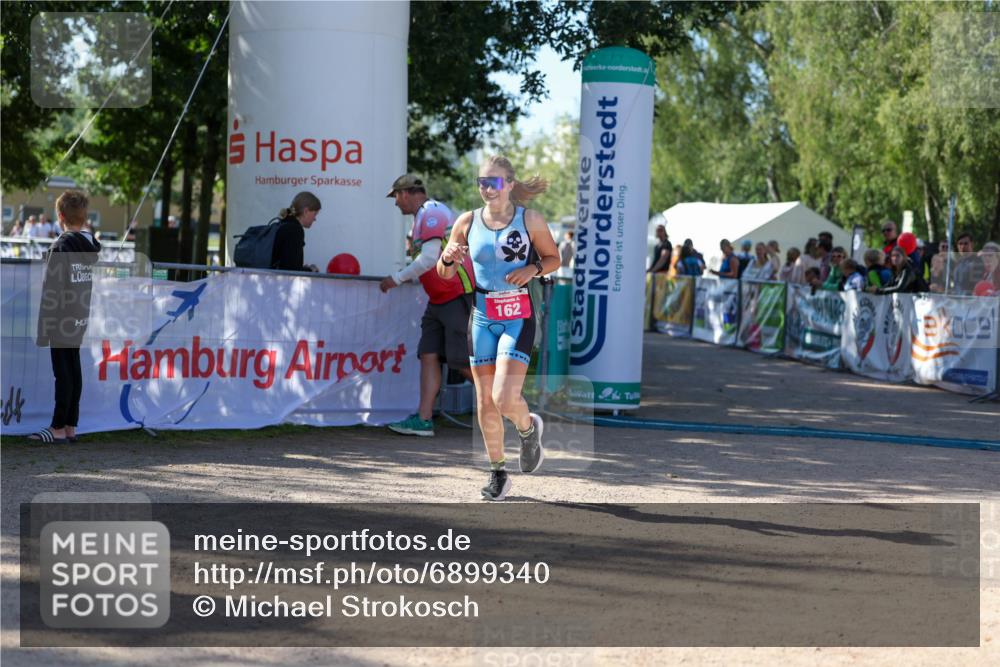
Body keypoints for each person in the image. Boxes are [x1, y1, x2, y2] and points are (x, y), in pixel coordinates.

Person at [437, 155, 559, 501]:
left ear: (509, 184)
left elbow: (554, 258)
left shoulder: (530, 220)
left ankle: (527, 427)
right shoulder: (466, 221)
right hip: (482, 314)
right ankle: (498, 474)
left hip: (517, 313)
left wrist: (533, 269)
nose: (486, 188)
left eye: (493, 182)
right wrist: (449, 258)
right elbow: (443, 272)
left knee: (503, 397)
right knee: (485, 402)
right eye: (481, 182)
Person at [380, 174, 474, 437]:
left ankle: (508, 406)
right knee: (428, 354)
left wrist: (396, 279)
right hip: (438, 301)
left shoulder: (432, 211)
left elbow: (430, 259)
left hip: (457, 295)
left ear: (407, 193)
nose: (396, 203)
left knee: (462, 361)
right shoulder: (420, 218)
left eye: (396, 197)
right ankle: (423, 420)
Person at [30, 190, 101, 444]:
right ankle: (71, 424)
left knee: (64, 372)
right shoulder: (88, 245)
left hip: (61, 318)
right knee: (73, 368)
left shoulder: (61, 246)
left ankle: (58, 426)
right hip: (79, 316)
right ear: (84, 217)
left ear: (60, 216)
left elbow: (52, 291)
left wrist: (43, 329)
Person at [271, 191, 321, 272]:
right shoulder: (295, 230)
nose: (315, 219)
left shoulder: (283, 225)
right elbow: (291, 271)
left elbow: (286, 265)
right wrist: (311, 270)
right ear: (306, 211)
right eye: (314, 214)